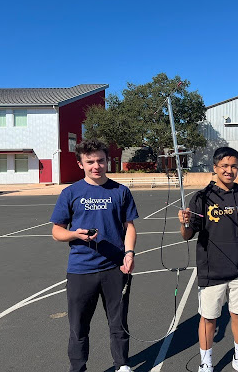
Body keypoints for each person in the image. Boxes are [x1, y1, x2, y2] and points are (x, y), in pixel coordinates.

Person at [51, 139, 139, 372]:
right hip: (81, 269)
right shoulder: (70, 192)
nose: (96, 166)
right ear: (81, 164)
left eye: (100, 160)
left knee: (118, 322)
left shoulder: (121, 191)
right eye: (90, 162)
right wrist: (74, 234)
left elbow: (129, 226)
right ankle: (78, 368)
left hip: (115, 268)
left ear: (107, 160)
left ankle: (122, 365)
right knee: (78, 326)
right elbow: (56, 231)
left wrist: (129, 253)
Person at [178, 147, 238, 372]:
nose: (229, 170)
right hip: (211, 270)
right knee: (208, 319)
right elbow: (188, 234)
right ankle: (206, 362)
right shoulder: (202, 198)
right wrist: (184, 222)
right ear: (215, 168)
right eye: (224, 166)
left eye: (233, 166)